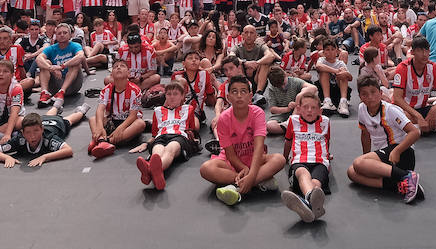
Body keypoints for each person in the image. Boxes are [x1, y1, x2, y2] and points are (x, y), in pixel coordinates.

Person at [199, 75, 286, 206]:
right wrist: (244, 168)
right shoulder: (223, 118)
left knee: (280, 159)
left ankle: (237, 187)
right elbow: (229, 154)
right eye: (234, 91)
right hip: (232, 164)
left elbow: (258, 147)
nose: (239, 95)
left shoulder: (258, 113)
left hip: (255, 159)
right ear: (228, 97)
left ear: (250, 97)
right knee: (206, 168)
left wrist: (251, 175)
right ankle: (258, 181)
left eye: (243, 91)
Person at [129, 79, 198, 191]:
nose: (172, 97)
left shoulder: (188, 109)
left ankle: (150, 170)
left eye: (175, 94)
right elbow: (155, 134)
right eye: (169, 94)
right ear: (165, 96)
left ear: (182, 96)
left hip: (179, 136)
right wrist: (146, 144)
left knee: (171, 148)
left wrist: (192, 137)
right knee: (157, 151)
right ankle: (155, 172)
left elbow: (191, 129)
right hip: (161, 136)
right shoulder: (158, 111)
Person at [280, 89, 330, 222]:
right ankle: (310, 199)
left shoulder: (325, 121)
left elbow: (326, 140)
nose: (309, 111)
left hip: (320, 161)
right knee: (302, 173)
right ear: (299, 109)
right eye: (305, 107)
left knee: (316, 182)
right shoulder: (293, 120)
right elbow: (288, 140)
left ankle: (306, 203)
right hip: (299, 160)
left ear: (320, 110)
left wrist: (327, 154)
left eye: (314, 108)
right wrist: (285, 157)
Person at [0, 107, 89, 168]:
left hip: (56, 125)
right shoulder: (20, 139)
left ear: (42, 130)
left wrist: (44, 157)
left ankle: (81, 111)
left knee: (69, 120)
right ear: (22, 132)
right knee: (46, 116)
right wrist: (6, 157)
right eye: (28, 132)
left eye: (36, 131)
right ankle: (56, 106)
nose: (32, 136)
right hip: (43, 120)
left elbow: (68, 150)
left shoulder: (48, 138)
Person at [87, 58, 145, 158]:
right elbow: (100, 109)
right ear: (111, 74)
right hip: (113, 120)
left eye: (122, 66)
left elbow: (133, 116)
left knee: (140, 124)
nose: (118, 67)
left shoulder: (135, 90)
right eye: (115, 67)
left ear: (128, 73)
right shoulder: (106, 89)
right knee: (93, 119)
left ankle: (103, 141)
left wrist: (120, 128)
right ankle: (102, 140)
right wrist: (100, 127)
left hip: (128, 123)